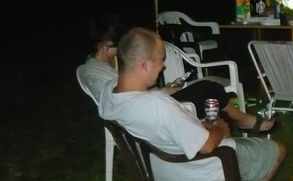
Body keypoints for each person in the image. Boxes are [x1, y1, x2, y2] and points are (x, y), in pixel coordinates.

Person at [98, 27, 286, 181]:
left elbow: (165, 129)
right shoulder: (157, 104)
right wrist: (219, 128)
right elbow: (207, 146)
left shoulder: (108, 92)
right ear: (146, 64)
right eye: (161, 59)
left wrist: (200, 126)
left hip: (153, 170)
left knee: (212, 130)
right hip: (186, 171)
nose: (164, 65)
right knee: (277, 149)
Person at [81, 15, 274, 133]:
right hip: (148, 113)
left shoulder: (107, 63)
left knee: (211, 97)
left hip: (147, 104)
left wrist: (165, 90)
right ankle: (242, 121)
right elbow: (127, 102)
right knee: (209, 88)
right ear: (106, 45)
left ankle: (236, 122)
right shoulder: (95, 72)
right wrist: (163, 93)